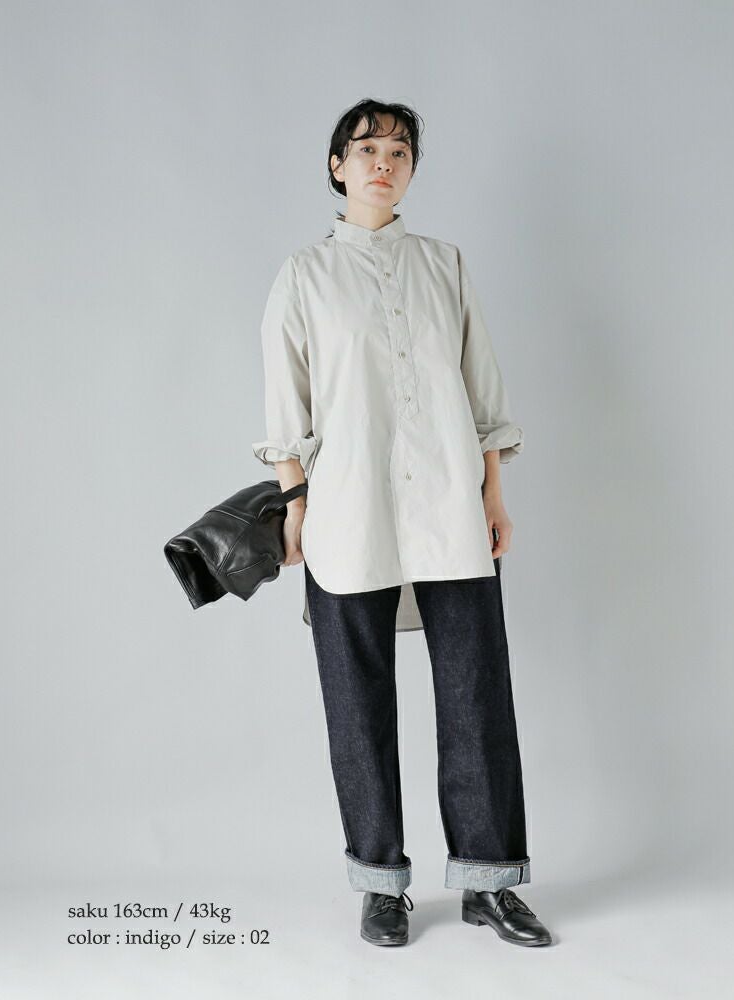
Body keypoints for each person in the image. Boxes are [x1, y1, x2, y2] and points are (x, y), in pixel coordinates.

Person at [251, 98, 553, 948]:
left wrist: (493, 495)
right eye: (366, 150)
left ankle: (489, 884)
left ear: (412, 168)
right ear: (337, 166)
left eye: (399, 151)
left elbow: (482, 390)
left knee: (476, 693)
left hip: (451, 504)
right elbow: (287, 408)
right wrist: (295, 507)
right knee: (357, 703)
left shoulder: (444, 265)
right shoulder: (304, 277)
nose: (383, 163)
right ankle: (381, 884)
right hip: (347, 511)